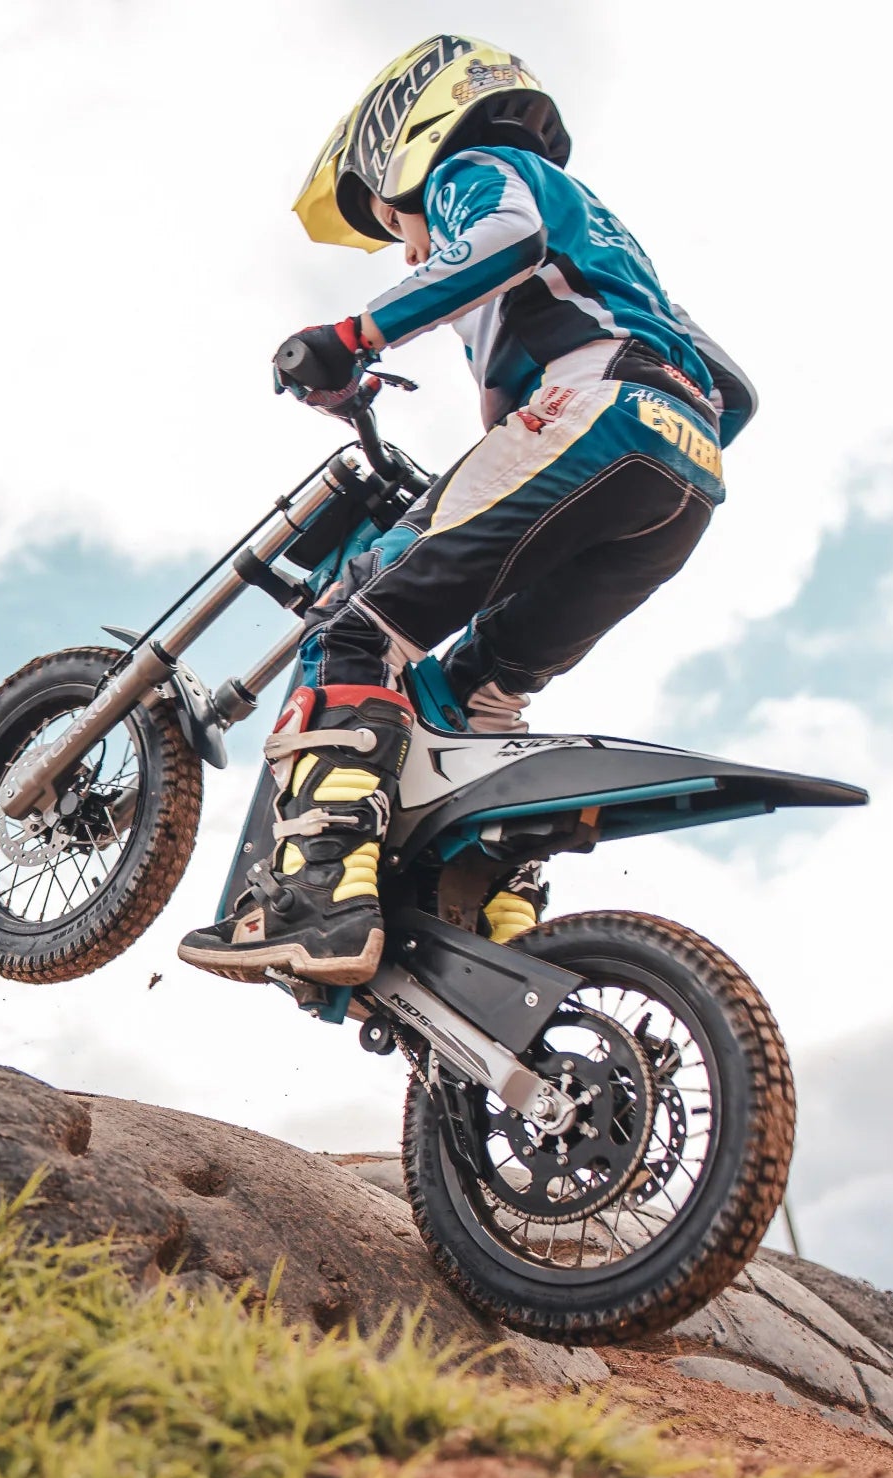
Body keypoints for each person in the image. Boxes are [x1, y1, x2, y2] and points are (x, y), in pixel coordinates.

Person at [178, 34, 754, 987]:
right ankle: (497, 916)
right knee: (479, 689)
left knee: (357, 624)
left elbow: (500, 244)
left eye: (385, 219)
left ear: (407, 142)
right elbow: (736, 390)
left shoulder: (479, 169)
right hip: (682, 472)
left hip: (594, 412)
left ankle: (318, 898)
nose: (403, 248)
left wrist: (355, 333)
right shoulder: (617, 248)